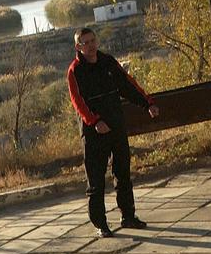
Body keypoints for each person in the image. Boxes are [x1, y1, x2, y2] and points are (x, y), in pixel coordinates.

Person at [67, 27, 159, 237]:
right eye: (86, 42)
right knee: (96, 180)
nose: (91, 45)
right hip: (94, 132)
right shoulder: (75, 71)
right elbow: (77, 102)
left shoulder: (108, 62)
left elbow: (128, 85)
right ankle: (101, 224)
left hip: (116, 126)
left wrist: (148, 104)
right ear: (78, 46)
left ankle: (128, 216)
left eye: (93, 40)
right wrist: (94, 121)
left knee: (123, 173)